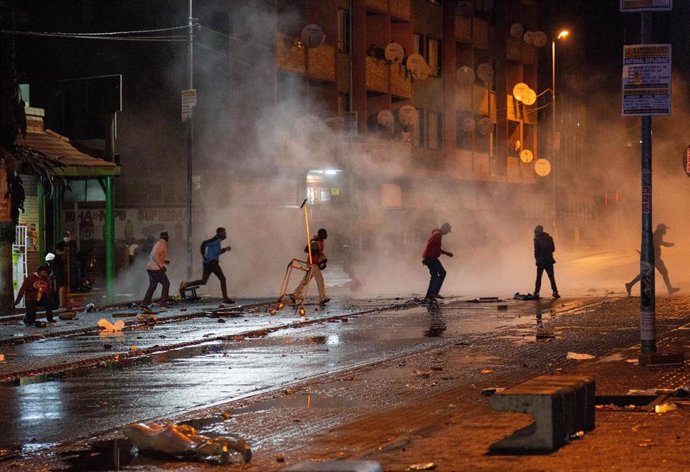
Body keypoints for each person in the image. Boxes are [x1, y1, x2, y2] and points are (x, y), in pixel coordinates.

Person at [179, 227, 234, 303]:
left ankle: (186, 284)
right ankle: (225, 299)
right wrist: (203, 254)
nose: (225, 234)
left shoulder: (217, 241)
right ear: (219, 233)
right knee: (222, 279)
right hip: (212, 264)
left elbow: (217, 252)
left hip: (208, 264)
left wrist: (225, 249)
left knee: (203, 281)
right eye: (223, 233)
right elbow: (204, 243)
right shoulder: (215, 240)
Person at [626, 223, 679, 296]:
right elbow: (659, 243)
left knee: (645, 273)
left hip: (651, 257)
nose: (665, 230)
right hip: (654, 257)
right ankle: (670, 289)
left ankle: (630, 285)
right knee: (664, 272)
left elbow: (658, 244)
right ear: (661, 229)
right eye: (665, 229)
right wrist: (671, 244)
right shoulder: (657, 235)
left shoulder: (657, 235)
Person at [292, 228, 330, 306]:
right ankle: (322, 298)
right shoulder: (315, 242)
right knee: (320, 280)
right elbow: (306, 249)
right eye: (325, 233)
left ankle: (295, 294)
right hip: (312, 264)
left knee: (306, 280)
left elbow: (319, 253)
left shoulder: (321, 241)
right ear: (321, 234)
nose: (326, 235)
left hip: (313, 263)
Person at [421, 223, 453, 304]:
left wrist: (445, 253)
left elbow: (435, 247)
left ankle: (429, 296)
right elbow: (431, 245)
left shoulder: (437, 234)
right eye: (447, 231)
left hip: (429, 257)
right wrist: (444, 252)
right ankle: (434, 293)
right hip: (431, 258)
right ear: (444, 228)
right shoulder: (438, 235)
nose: (447, 233)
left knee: (434, 276)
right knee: (442, 273)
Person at [142, 231, 171, 308]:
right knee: (166, 283)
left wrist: (164, 261)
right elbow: (155, 255)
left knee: (152, 285)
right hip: (155, 269)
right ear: (166, 238)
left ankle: (145, 302)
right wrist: (161, 266)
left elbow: (152, 255)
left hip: (150, 268)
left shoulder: (157, 243)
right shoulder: (163, 244)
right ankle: (163, 302)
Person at [533, 225, 559, 299]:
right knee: (551, 277)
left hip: (541, 261)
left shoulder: (536, 239)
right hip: (549, 260)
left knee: (539, 278)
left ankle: (536, 292)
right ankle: (555, 292)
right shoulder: (549, 238)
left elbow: (536, 251)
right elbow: (553, 249)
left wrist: (537, 259)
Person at [54, 230, 73, 307]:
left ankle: (65, 302)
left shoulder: (68, 245)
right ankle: (62, 303)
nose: (67, 238)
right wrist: (64, 252)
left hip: (63, 267)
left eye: (68, 236)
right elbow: (57, 252)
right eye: (66, 236)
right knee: (62, 285)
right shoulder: (60, 244)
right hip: (59, 267)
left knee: (65, 285)